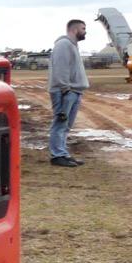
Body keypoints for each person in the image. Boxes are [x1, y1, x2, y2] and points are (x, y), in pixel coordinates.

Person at [48, 18, 88, 167]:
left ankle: (62, 153)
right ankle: (57, 155)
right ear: (75, 30)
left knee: (66, 125)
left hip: (73, 91)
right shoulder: (63, 45)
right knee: (60, 123)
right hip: (65, 91)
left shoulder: (72, 46)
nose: (85, 32)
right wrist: (65, 90)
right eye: (83, 29)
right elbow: (60, 69)